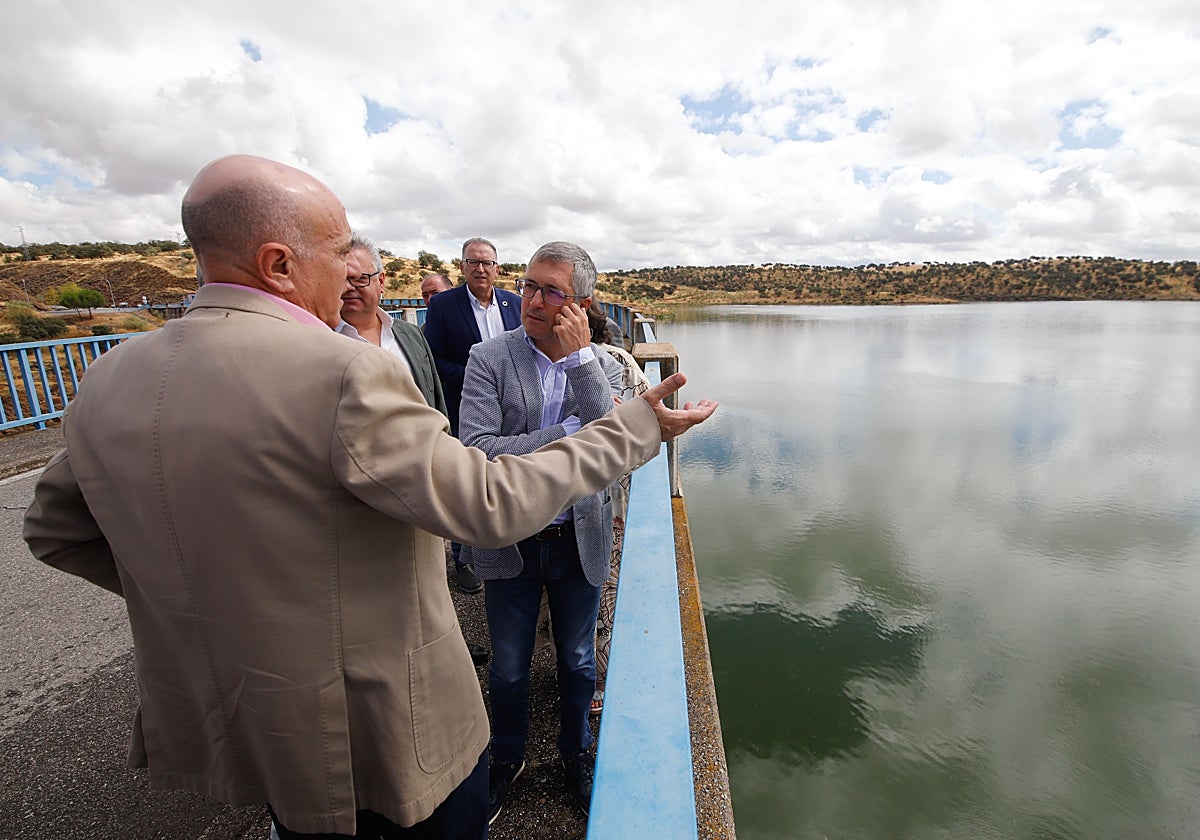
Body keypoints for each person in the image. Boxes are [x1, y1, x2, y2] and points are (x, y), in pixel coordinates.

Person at [22, 154, 717, 840]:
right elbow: (484, 500)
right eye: (337, 253)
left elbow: (55, 529)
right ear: (279, 265)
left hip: (248, 733)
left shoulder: (109, 377)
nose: (353, 274)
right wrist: (636, 428)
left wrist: (208, 600)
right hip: (384, 736)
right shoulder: (343, 370)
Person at [458, 241, 622, 823]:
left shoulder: (598, 364)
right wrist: (562, 438)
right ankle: (508, 756)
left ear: (580, 304)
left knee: (579, 661)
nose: (531, 299)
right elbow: (476, 450)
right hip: (512, 539)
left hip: (578, 538)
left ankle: (575, 752)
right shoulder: (489, 357)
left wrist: (579, 366)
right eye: (528, 285)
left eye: (551, 291)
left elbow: (610, 444)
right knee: (507, 665)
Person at [422, 237, 522, 594]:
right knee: (466, 480)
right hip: (468, 405)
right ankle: (464, 558)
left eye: (487, 263)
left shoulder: (515, 303)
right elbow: (433, 357)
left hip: (513, 406)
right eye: (473, 262)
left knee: (507, 471)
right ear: (462, 267)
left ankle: (508, 539)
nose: (481, 269)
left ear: (497, 268)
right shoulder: (444, 305)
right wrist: (478, 379)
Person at [585, 303, 650, 716]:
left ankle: (573, 671)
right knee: (603, 585)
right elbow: (649, 428)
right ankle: (597, 681)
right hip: (609, 501)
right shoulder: (622, 361)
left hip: (559, 498)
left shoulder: (605, 363)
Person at [339, 233, 446, 414]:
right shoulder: (319, 339)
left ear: (380, 281)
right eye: (341, 279)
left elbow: (436, 401)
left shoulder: (411, 335)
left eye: (359, 279)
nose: (349, 288)